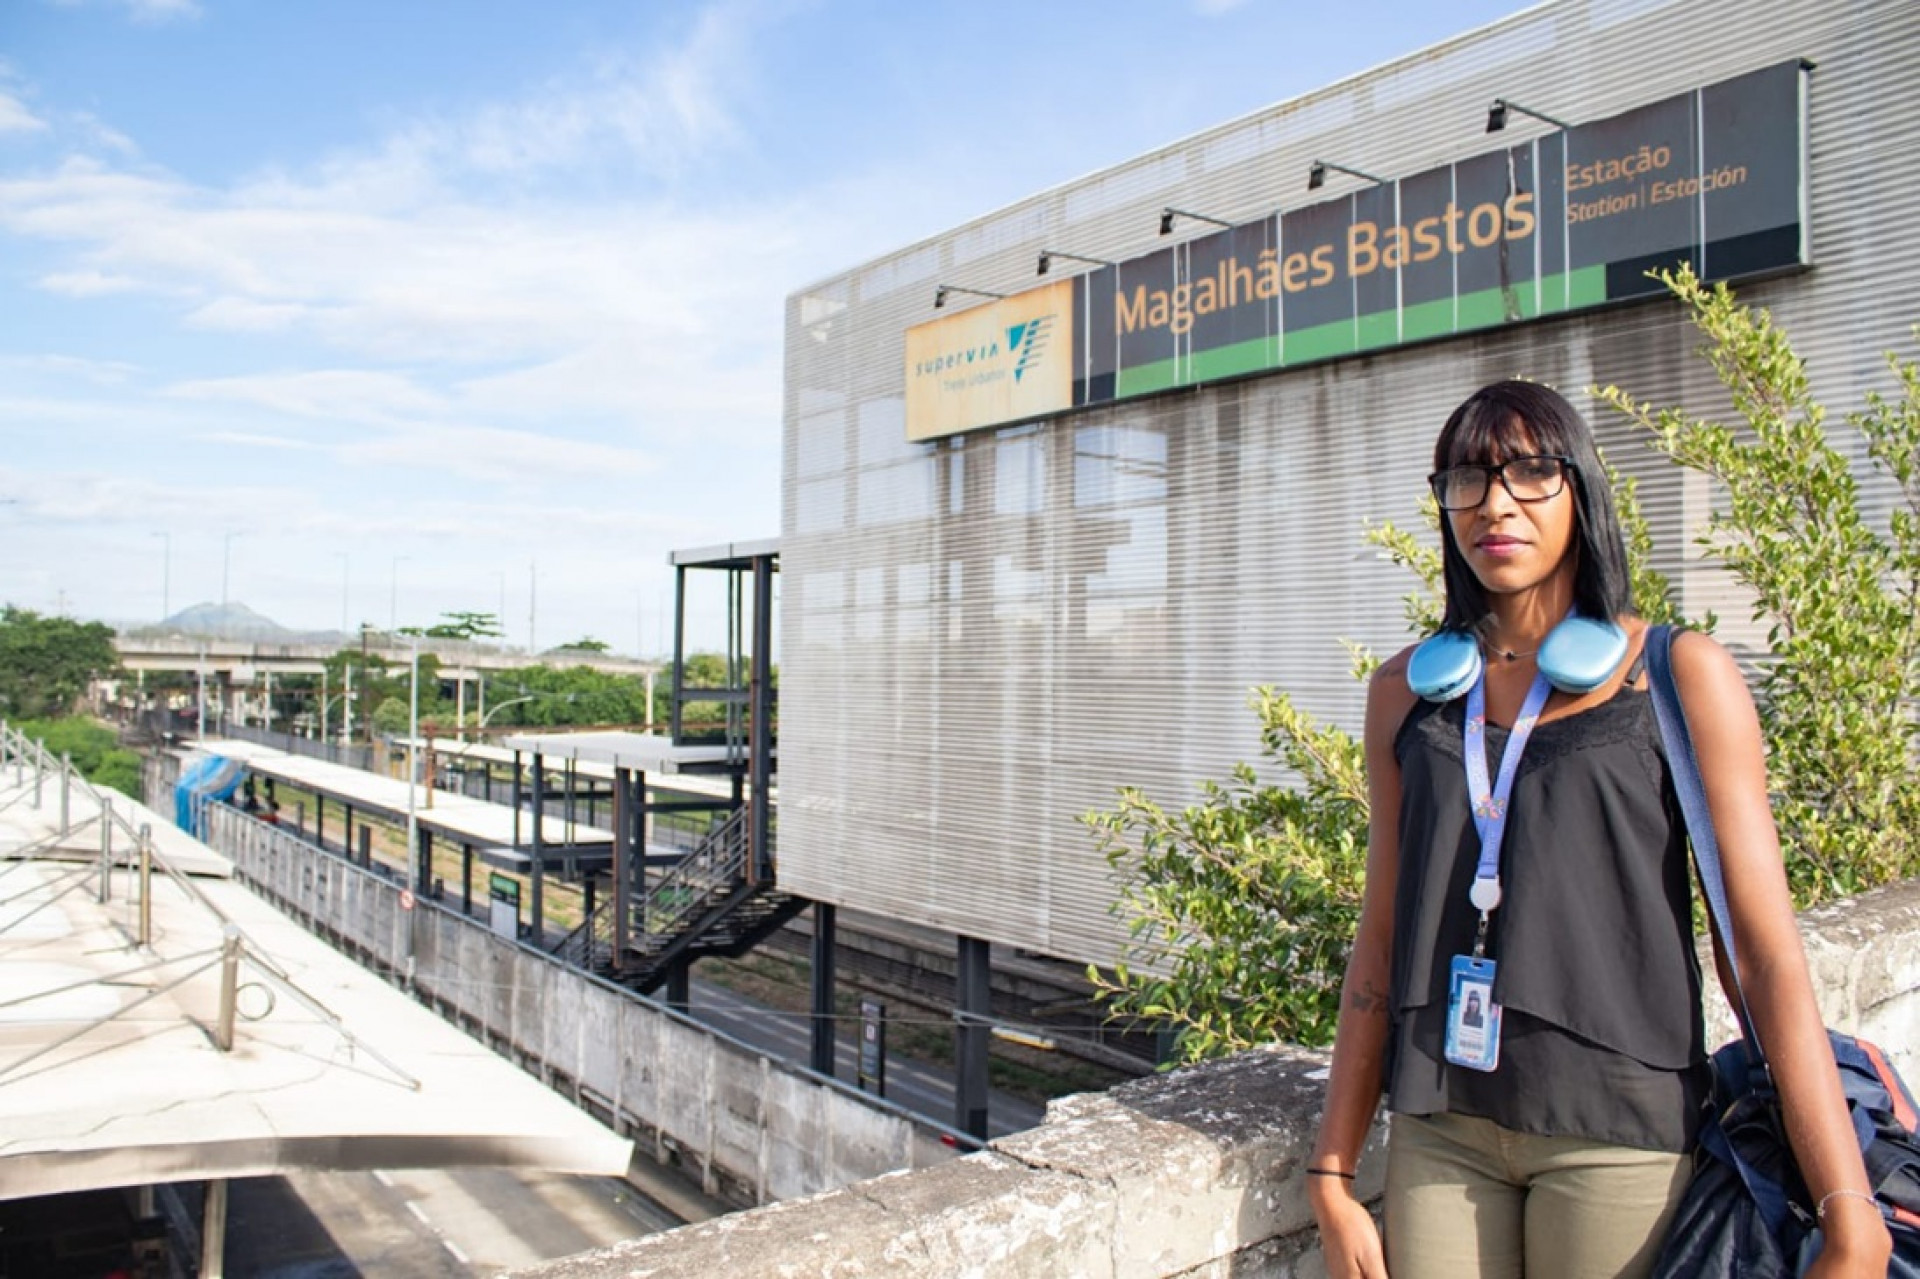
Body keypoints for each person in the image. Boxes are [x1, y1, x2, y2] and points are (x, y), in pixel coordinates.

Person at [1305, 381, 1892, 1278]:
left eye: (1531, 472)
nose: (1496, 501)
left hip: (1617, 1135)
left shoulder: (1678, 676)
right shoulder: (1408, 694)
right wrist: (1332, 1171)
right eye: (1468, 477)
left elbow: (1765, 953)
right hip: (1441, 1128)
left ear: (1582, 491)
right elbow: (1381, 934)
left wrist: (1849, 1211)